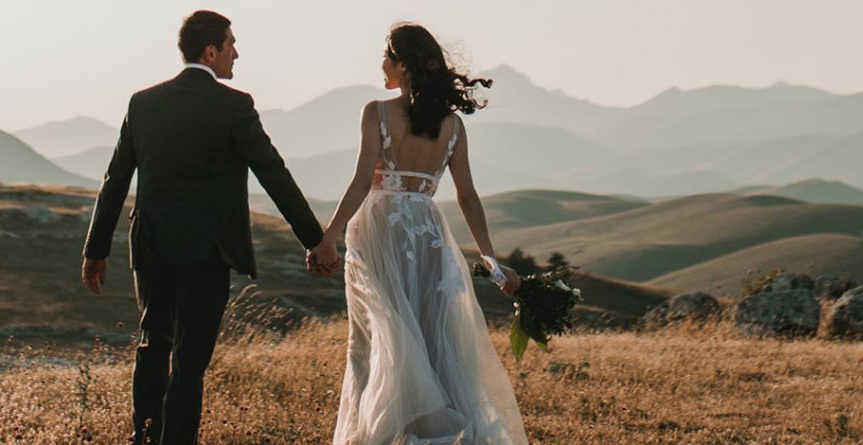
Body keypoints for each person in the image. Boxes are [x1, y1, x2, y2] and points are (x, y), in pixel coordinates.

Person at [79, 10, 339, 445]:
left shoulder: (143, 103)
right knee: (190, 360)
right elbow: (273, 174)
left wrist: (96, 248)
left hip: (153, 247)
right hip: (208, 251)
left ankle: (144, 438)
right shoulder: (235, 105)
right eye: (231, 44)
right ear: (211, 51)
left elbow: (115, 179)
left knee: (151, 343)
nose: (237, 53)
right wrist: (316, 240)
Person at [308, 23, 530, 444]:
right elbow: (468, 196)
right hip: (428, 234)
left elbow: (360, 182)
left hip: (380, 233)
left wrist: (329, 237)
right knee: (430, 336)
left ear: (404, 66)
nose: (381, 65)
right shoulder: (452, 125)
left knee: (378, 338)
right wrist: (491, 259)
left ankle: (389, 433)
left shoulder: (376, 111)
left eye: (386, 57)